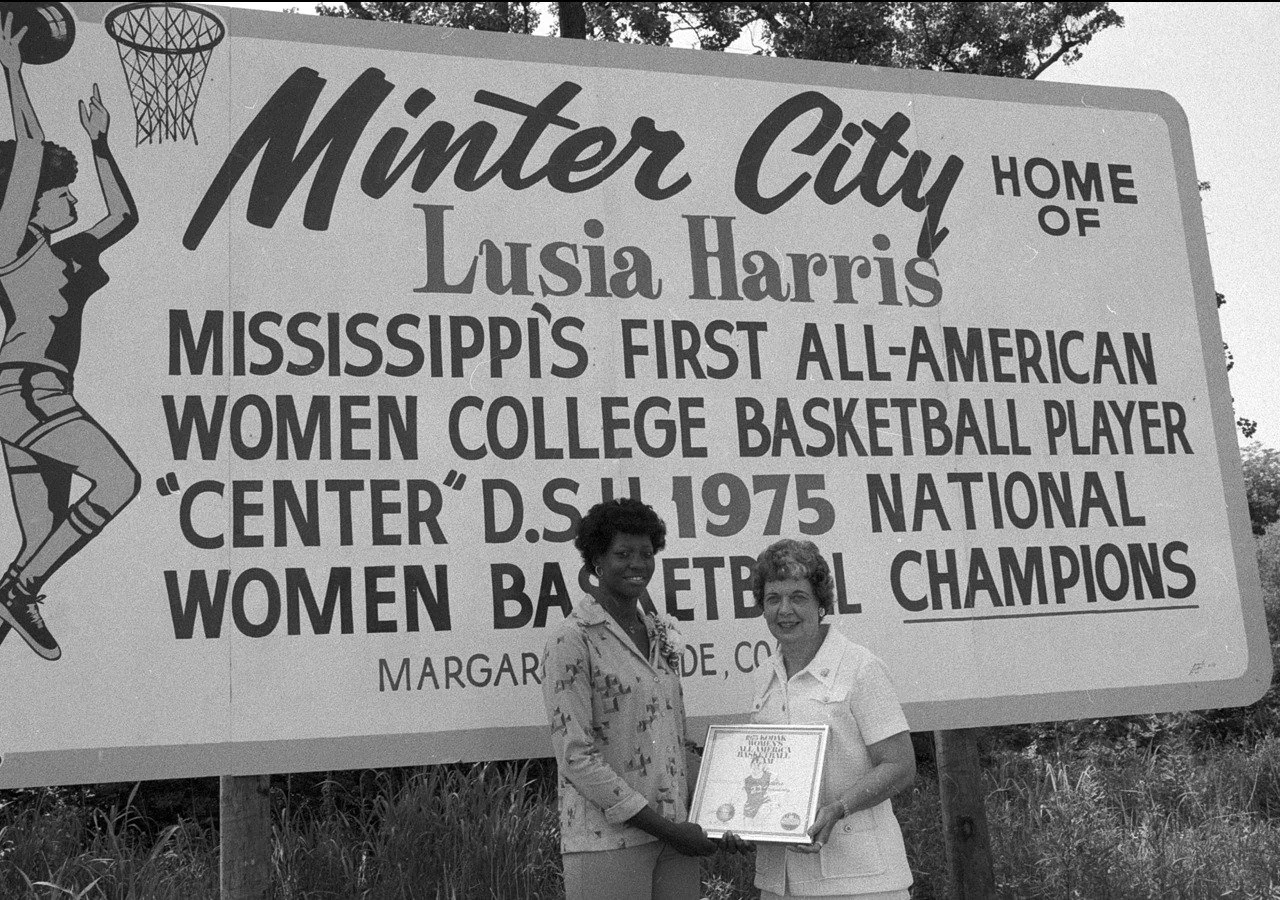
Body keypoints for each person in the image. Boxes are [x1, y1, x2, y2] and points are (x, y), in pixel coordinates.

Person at [0, 12, 140, 660]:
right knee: (117, 483)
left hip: (31, 397)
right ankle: (21, 589)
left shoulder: (71, 251)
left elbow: (124, 214)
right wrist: (13, 73)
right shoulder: (12, 249)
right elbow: (27, 151)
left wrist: (101, 142)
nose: (73, 200)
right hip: (28, 390)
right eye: (62, 193)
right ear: (29, 204)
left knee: (42, 535)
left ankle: (15, 593)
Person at [542, 497, 718, 900]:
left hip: (676, 838)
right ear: (595, 563)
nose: (637, 564)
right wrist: (667, 828)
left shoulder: (660, 634)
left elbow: (673, 738)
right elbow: (575, 756)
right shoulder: (572, 640)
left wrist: (724, 815)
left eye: (645, 553)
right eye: (622, 553)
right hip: (608, 840)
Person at [749, 538, 916, 900]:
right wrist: (742, 821)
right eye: (773, 598)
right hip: (780, 884)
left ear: (821, 604)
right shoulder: (765, 677)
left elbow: (900, 765)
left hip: (861, 882)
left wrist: (840, 808)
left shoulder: (860, 667)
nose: (785, 610)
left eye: (798, 597)